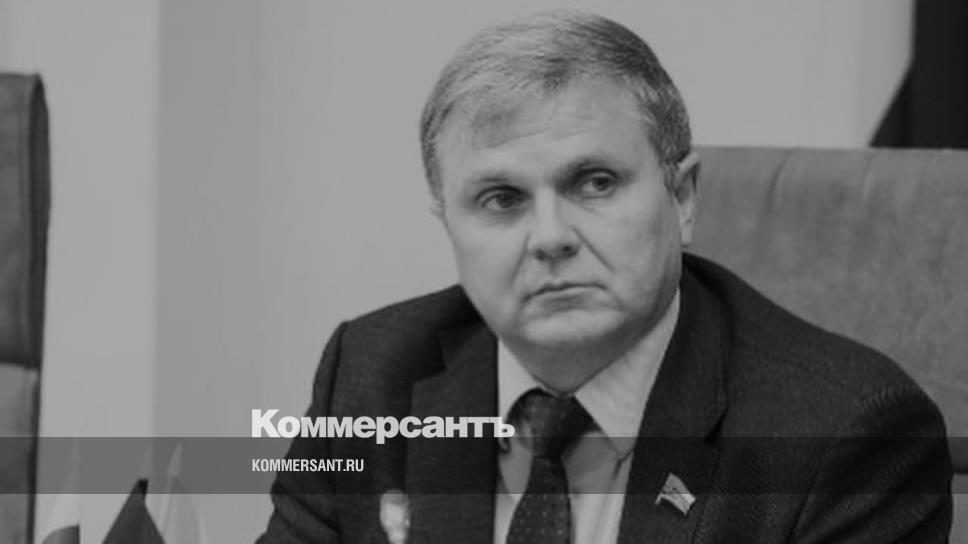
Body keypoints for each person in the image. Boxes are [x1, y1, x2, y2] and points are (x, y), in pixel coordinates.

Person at [258, 10, 952, 543]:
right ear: (448, 225)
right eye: (501, 199)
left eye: (594, 183)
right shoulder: (371, 376)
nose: (550, 238)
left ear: (682, 199)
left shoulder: (846, 436)